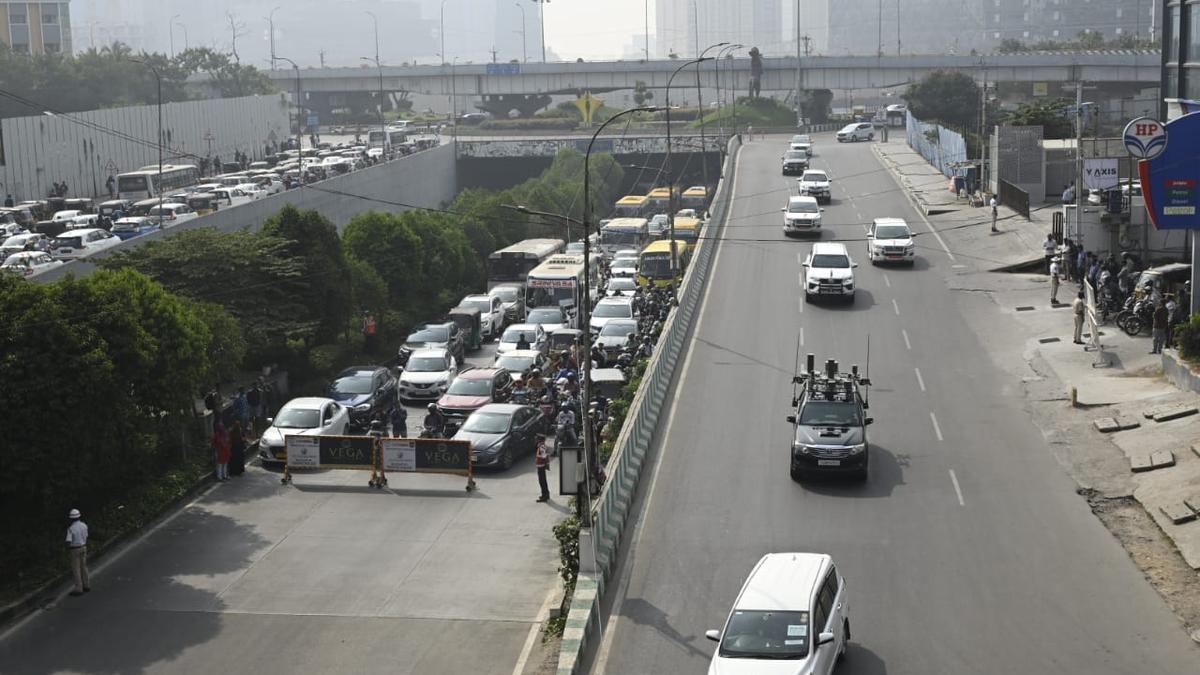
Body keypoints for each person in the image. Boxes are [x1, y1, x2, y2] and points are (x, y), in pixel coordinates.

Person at [65, 509, 90, 596]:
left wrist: (68, 547)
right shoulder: (84, 525)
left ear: (71, 519)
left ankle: (79, 588)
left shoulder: (71, 528)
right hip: (84, 547)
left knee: (76, 569)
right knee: (84, 566)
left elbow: (68, 541)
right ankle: (86, 585)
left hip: (75, 549)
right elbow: (86, 536)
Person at [534, 435, 551, 503]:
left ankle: (545, 496)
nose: (536, 440)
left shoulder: (542, 446)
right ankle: (545, 494)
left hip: (541, 466)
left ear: (539, 440)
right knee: (543, 481)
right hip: (540, 466)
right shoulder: (540, 446)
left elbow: (544, 456)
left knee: (542, 481)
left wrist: (538, 456)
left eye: (537, 439)